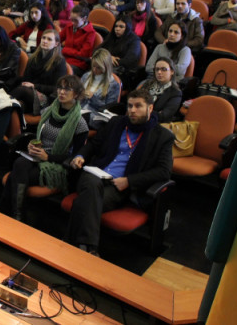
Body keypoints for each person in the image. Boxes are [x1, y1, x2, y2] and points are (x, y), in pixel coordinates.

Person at [67, 89, 174, 256]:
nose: (132, 110)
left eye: (138, 106)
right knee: (92, 184)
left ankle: (77, 246)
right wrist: (81, 155)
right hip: (93, 174)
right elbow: (94, 144)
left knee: (84, 202)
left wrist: (129, 181)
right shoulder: (117, 123)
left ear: (150, 108)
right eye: (130, 106)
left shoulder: (162, 136)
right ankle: (90, 249)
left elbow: (163, 172)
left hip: (118, 186)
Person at [0, 75, 89, 221]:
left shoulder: (80, 124)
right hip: (37, 157)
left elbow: (75, 156)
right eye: (60, 88)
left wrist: (48, 157)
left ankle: (9, 213)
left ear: (77, 94)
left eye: (67, 89)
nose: (61, 92)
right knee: (20, 164)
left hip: (57, 166)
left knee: (16, 174)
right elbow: (39, 136)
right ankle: (17, 215)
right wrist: (32, 144)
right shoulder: (49, 111)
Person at [7, 29, 69, 114]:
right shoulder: (33, 58)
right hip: (29, 93)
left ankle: (1, 103)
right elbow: (26, 78)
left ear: (56, 44)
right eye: (43, 38)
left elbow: (57, 88)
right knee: (13, 102)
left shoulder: (59, 62)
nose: (45, 41)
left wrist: (35, 86)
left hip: (46, 98)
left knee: (22, 91)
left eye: (49, 39)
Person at [80, 48, 121, 130]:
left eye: (98, 68)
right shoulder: (86, 76)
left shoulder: (113, 85)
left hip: (95, 116)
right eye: (93, 66)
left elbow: (108, 111)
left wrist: (93, 98)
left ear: (106, 67)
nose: (94, 70)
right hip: (80, 110)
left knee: (78, 119)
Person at [98, 18, 142, 85]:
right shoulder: (112, 36)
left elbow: (130, 60)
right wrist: (108, 57)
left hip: (123, 72)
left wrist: (107, 60)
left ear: (128, 27)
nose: (117, 29)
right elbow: (97, 51)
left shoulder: (134, 40)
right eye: (116, 26)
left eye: (121, 27)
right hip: (106, 67)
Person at [140, 57, 183, 123]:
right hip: (139, 119)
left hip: (157, 124)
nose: (159, 72)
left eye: (164, 69)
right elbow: (135, 100)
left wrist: (141, 110)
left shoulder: (176, 92)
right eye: (157, 69)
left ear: (172, 72)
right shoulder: (147, 84)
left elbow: (163, 116)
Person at [60, 4, 97, 76]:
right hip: (64, 58)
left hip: (78, 64)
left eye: (75, 20)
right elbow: (57, 39)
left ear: (84, 19)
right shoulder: (69, 26)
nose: (73, 23)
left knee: (60, 71)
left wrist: (65, 50)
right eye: (71, 20)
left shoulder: (90, 33)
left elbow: (83, 54)